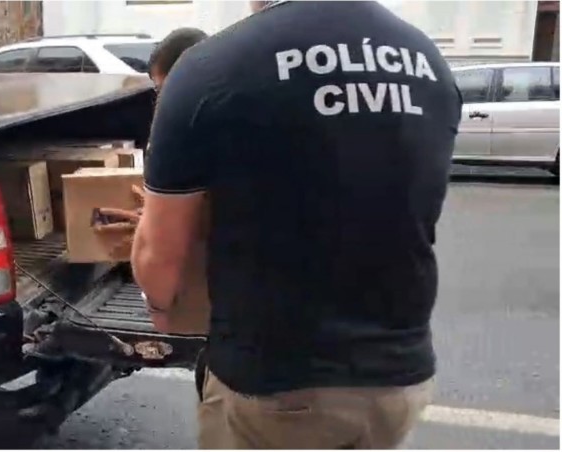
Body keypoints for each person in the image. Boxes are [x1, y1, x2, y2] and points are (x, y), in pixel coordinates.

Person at [130, 0, 462, 449]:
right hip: (399, 381)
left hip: (277, 388)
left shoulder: (212, 67)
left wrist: (160, 306)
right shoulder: (426, 60)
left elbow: (159, 259)